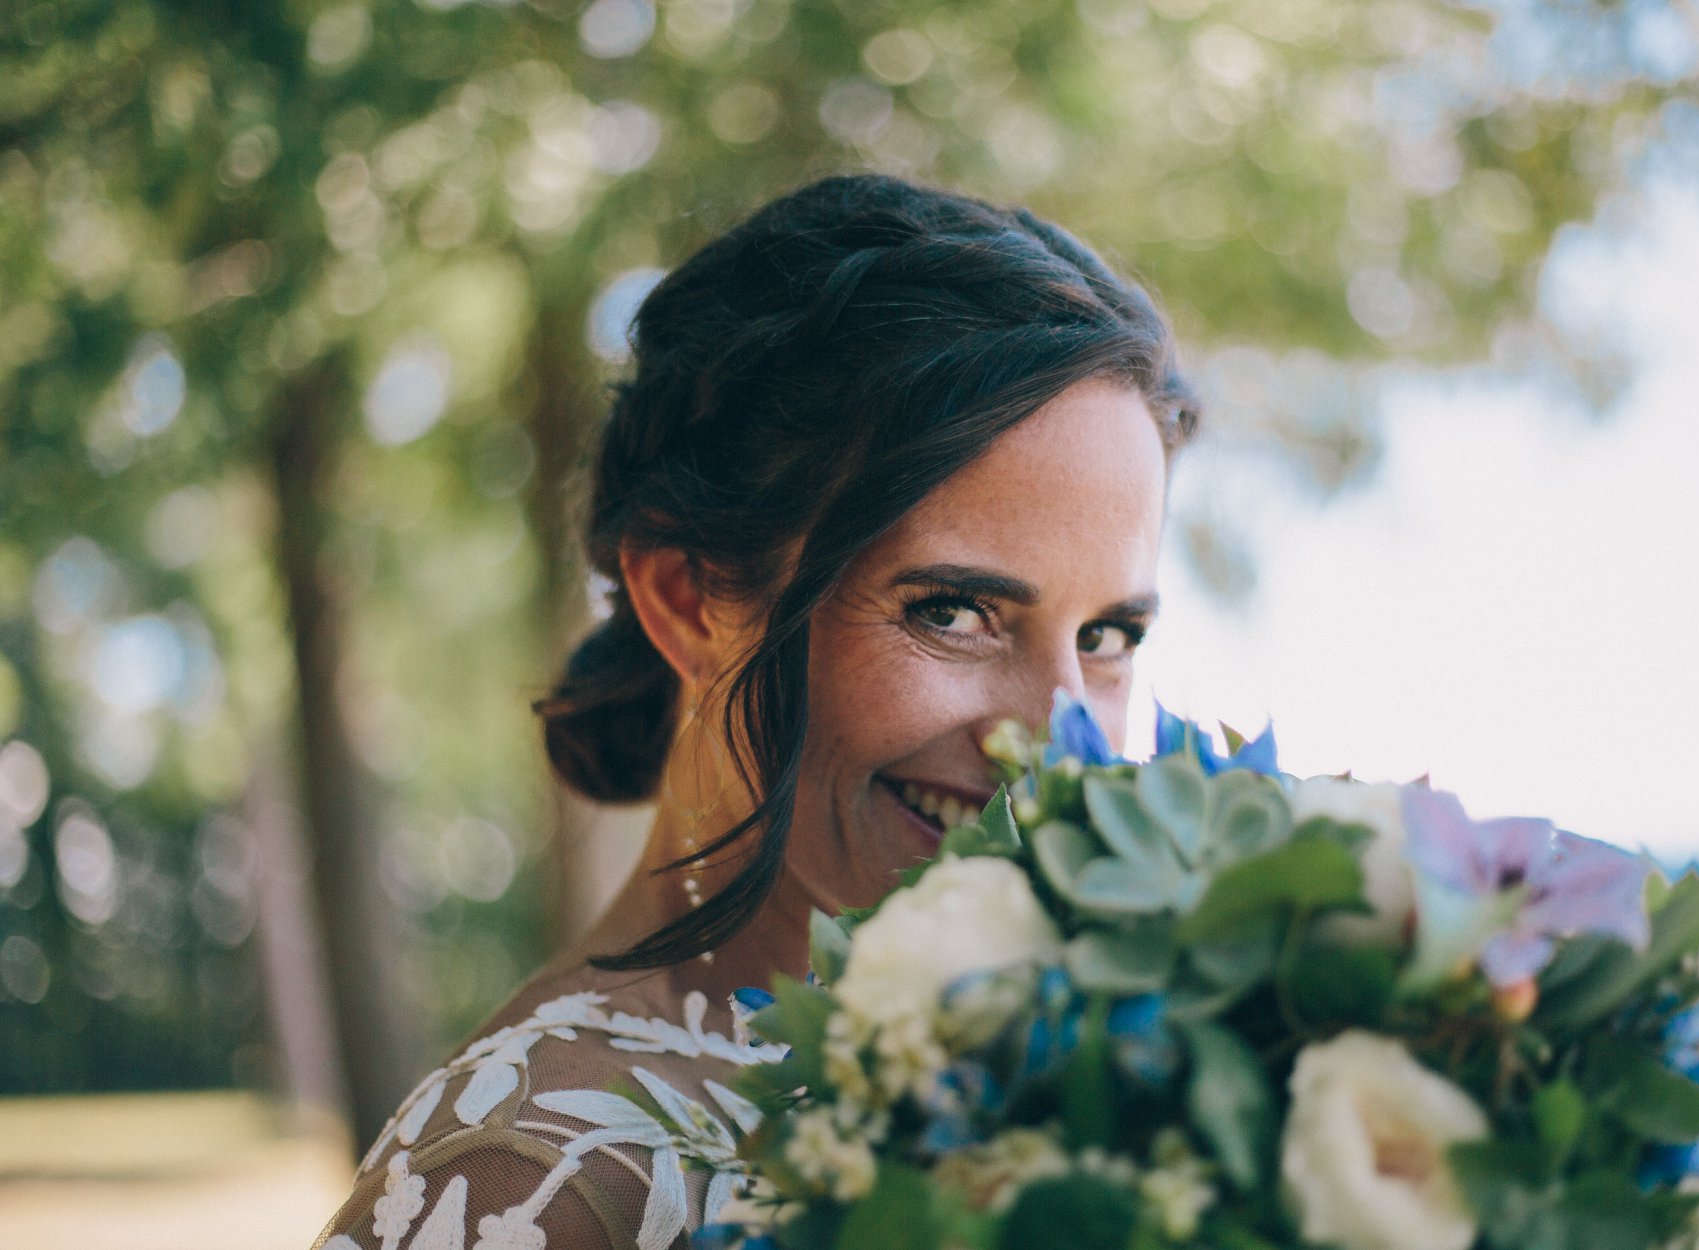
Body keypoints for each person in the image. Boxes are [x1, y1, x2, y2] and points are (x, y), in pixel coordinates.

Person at [313, 174, 1198, 1250]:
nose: (1060, 741)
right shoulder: (529, 1183)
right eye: (953, 609)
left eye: (1108, 635)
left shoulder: (1100, 1050)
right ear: (689, 598)